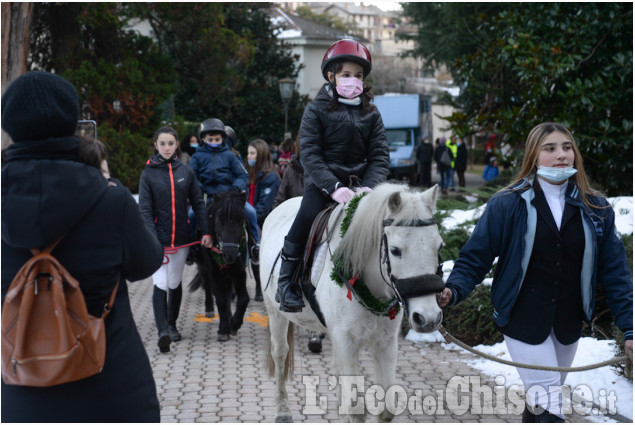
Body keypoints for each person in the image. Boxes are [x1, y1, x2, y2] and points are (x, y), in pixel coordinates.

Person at [438, 122, 633, 423]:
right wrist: (454, 290)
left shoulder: (597, 208)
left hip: (568, 322)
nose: (561, 155)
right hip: (522, 318)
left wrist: (630, 328)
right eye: (550, 148)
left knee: (540, 401)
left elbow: (616, 273)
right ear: (533, 155)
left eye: (567, 147)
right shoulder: (507, 203)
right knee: (549, 402)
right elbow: (475, 257)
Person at [1, 71, 164, 422]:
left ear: (10, 126)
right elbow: (147, 263)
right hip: (112, 387)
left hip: (17, 392)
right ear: (71, 121)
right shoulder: (112, 199)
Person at [276, 39, 390, 313]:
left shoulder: (372, 113)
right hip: (325, 184)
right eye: (346, 75)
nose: (353, 80)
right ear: (332, 76)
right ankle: (286, 282)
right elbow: (310, 155)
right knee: (305, 216)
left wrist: (369, 187)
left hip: (362, 187)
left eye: (358, 76)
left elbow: (380, 157)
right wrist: (333, 186)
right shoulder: (315, 110)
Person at [139, 126, 212, 353]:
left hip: (181, 239)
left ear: (176, 144)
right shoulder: (148, 174)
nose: (167, 147)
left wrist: (206, 232)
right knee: (160, 283)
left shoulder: (186, 172)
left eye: (171, 143)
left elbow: (198, 204)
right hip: (157, 242)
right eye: (162, 143)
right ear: (156, 145)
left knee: (174, 282)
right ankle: (163, 331)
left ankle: (172, 325)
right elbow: (145, 211)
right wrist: (153, 240)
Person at [188, 118, 260, 259]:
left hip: (228, 198)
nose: (214, 142)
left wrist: (235, 189)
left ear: (223, 139)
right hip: (207, 197)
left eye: (217, 139)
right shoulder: (197, 157)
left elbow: (243, 175)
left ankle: (254, 245)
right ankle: (192, 247)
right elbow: (192, 177)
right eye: (210, 139)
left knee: (251, 212)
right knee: (191, 215)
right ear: (202, 138)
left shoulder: (230, 156)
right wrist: (200, 188)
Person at [246, 139, 281, 301]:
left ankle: (261, 288)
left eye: (252, 153)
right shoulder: (249, 173)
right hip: (248, 217)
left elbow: (263, 208)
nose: (249, 156)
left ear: (260, 155)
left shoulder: (270, 177)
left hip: (261, 221)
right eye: (248, 153)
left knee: (257, 251)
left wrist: (246, 217)